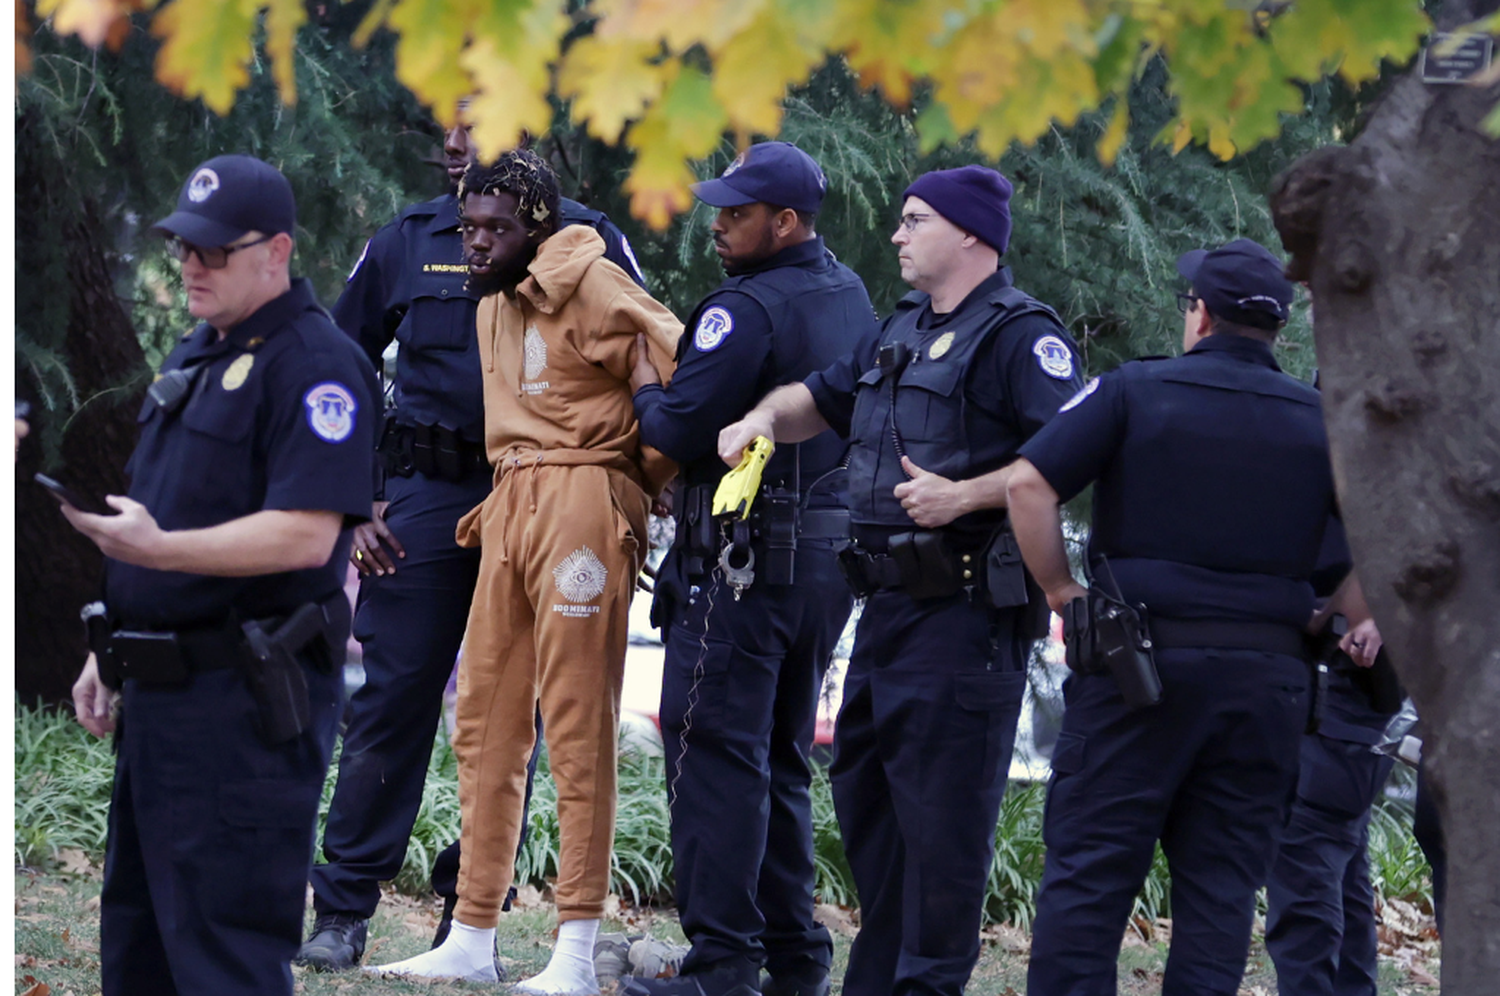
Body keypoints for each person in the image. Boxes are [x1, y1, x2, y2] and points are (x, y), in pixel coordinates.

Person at [718, 165, 1084, 996]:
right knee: (871, 811)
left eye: (914, 220)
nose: (897, 234)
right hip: (882, 611)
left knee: (944, 833)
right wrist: (762, 420)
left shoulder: (1023, 336)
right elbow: (820, 397)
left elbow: (1072, 453)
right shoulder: (903, 328)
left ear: (969, 234)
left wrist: (968, 492)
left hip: (963, 619)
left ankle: (928, 986)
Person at [298, 116, 647, 972]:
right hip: (424, 495)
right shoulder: (410, 238)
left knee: (518, 711)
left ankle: (471, 917)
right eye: (448, 124)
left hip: (548, 494)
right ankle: (343, 910)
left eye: (479, 121)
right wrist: (354, 502)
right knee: (392, 698)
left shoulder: (589, 242)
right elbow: (337, 369)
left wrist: (629, 494)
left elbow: (644, 360)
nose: (458, 142)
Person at [1008, 238, 1369, 996]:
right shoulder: (1324, 422)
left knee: (1090, 877)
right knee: (1221, 890)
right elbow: (1389, 541)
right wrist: (1335, 611)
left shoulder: (1133, 391)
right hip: (1267, 683)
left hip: (1138, 669)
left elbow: (1028, 488)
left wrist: (1060, 593)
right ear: (1275, 331)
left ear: (1200, 317)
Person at [61, 154, 378, 996]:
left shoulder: (315, 366)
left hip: (241, 707)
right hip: (161, 700)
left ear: (276, 252)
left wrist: (155, 551)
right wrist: (110, 649)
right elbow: (170, 504)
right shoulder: (200, 350)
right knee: (139, 946)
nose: (190, 266)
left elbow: (306, 536)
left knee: (222, 955)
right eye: (181, 250)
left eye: (212, 251)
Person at [366, 150, 681, 991]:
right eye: (468, 226)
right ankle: (472, 932)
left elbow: (678, 368)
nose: (475, 242)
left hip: (581, 502)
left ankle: (575, 949)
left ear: (537, 224)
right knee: (482, 721)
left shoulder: (597, 279)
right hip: (508, 501)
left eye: (496, 227)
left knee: (576, 728)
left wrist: (633, 490)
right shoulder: (492, 299)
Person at [620, 142, 877, 996]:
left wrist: (642, 383)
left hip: (742, 566)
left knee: (713, 754)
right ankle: (797, 959)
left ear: (787, 222)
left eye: (737, 214)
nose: (720, 225)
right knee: (775, 756)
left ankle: (723, 962)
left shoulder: (748, 310)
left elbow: (677, 431)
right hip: (818, 568)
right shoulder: (849, 292)